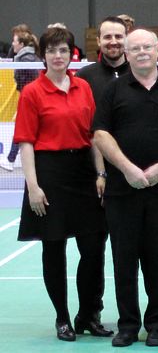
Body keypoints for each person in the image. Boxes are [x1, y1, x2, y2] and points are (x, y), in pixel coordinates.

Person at [92, 29, 158, 347]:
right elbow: (100, 134)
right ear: (127, 52)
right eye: (134, 48)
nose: (141, 52)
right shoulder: (113, 90)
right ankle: (127, 325)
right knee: (124, 260)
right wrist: (127, 169)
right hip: (123, 191)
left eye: (147, 47)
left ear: (157, 50)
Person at [13, 27, 110, 342]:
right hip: (50, 174)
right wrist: (33, 186)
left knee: (93, 248)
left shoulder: (83, 87)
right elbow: (26, 142)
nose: (58, 56)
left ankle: (87, 314)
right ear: (43, 55)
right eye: (52, 51)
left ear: (72, 55)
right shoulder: (32, 93)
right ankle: (62, 318)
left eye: (64, 51)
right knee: (54, 249)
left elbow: (94, 137)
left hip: (83, 171)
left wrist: (100, 173)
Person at [3, 27, 40, 171]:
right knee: (24, 129)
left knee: (21, 129)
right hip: (27, 98)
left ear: (22, 44)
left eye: (15, 42)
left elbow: (32, 79)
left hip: (30, 100)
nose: (12, 44)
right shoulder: (25, 57)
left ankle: (10, 160)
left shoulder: (27, 60)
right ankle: (10, 160)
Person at [76, 17, 130, 102]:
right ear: (98, 41)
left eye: (118, 37)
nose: (113, 42)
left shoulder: (139, 74)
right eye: (107, 37)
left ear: (126, 39)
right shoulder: (83, 77)